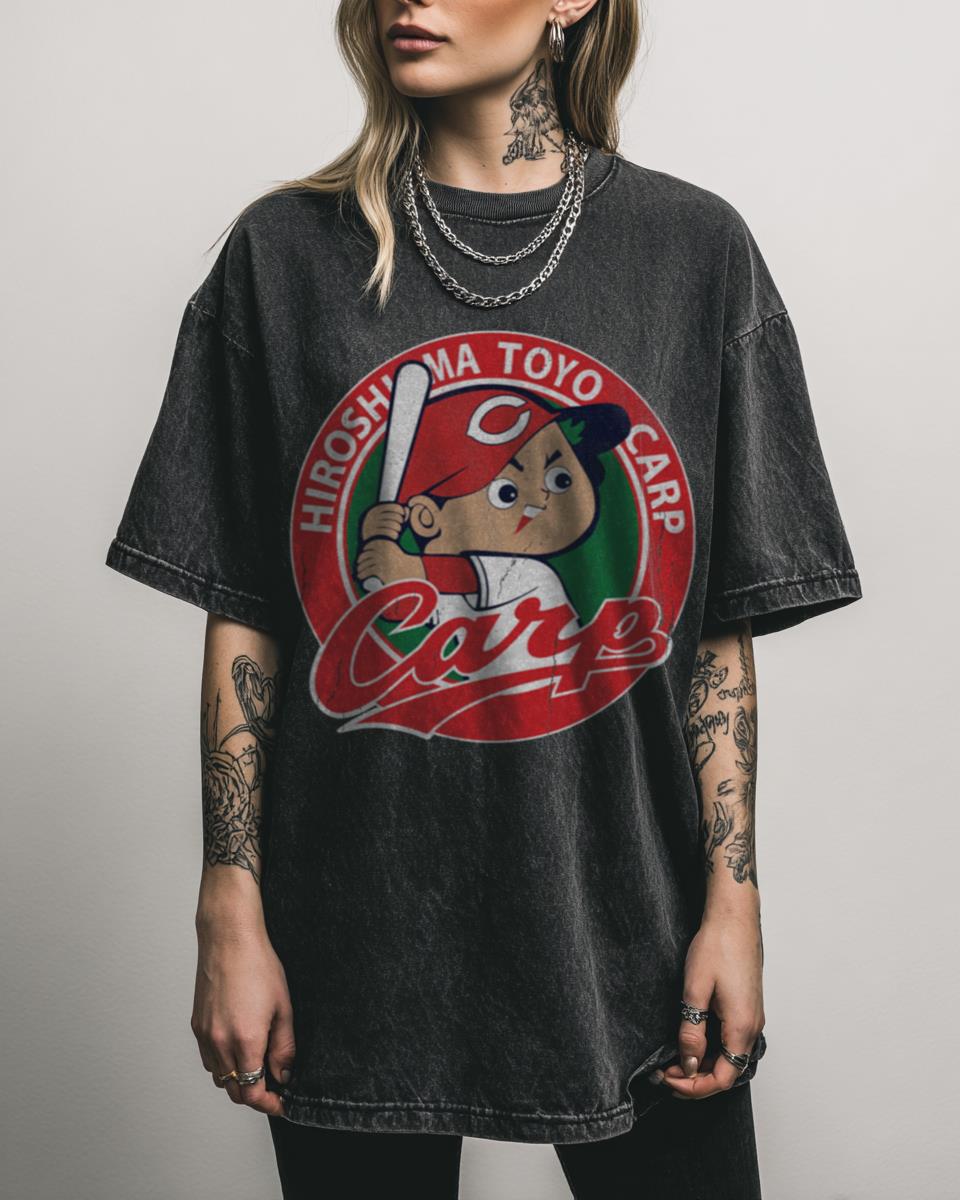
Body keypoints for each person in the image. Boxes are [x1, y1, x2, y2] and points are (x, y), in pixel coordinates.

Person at [104, 0, 863, 1196]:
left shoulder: (693, 253)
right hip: (353, 933)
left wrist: (734, 902)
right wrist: (229, 905)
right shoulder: (283, 256)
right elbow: (245, 611)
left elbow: (714, 631)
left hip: (630, 925)